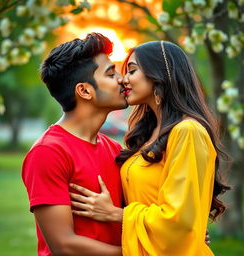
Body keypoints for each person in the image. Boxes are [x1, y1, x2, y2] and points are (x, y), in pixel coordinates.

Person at [69, 41, 230, 256]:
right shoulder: (147, 136)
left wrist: (117, 215)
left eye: (132, 70)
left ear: (160, 74)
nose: (124, 79)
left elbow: (179, 220)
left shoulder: (187, 131)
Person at [22, 33, 128, 256]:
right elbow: (64, 246)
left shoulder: (114, 149)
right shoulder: (48, 152)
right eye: (111, 73)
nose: (122, 79)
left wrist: (170, 235)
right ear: (84, 90)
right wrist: (145, 252)